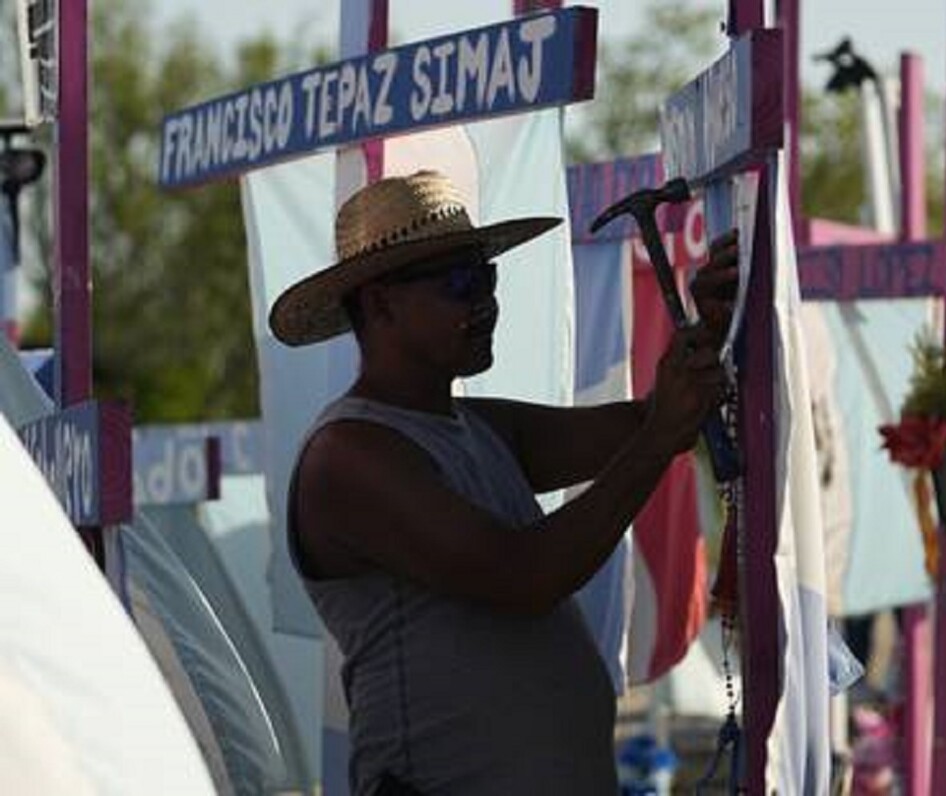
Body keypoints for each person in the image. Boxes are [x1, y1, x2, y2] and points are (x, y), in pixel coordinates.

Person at [269, 169, 739, 796]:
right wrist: (659, 433)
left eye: (487, 277)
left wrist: (708, 333)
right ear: (381, 303)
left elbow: (656, 423)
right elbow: (523, 576)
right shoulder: (349, 457)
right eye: (461, 283)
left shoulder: (472, 426)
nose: (486, 301)